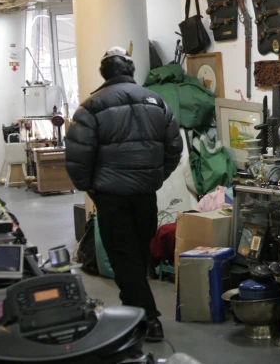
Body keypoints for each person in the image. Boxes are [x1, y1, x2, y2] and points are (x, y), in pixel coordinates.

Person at [66, 47, 183, 342]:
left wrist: (89, 186)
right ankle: (136, 311)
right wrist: (154, 176)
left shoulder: (90, 107)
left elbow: (78, 156)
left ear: (104, 74)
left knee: (123, 255)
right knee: (138, 251)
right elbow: (174, 148)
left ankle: (149, 319)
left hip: (110, 194)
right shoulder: (157, 102)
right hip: (145, 192)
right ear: (130, 71)